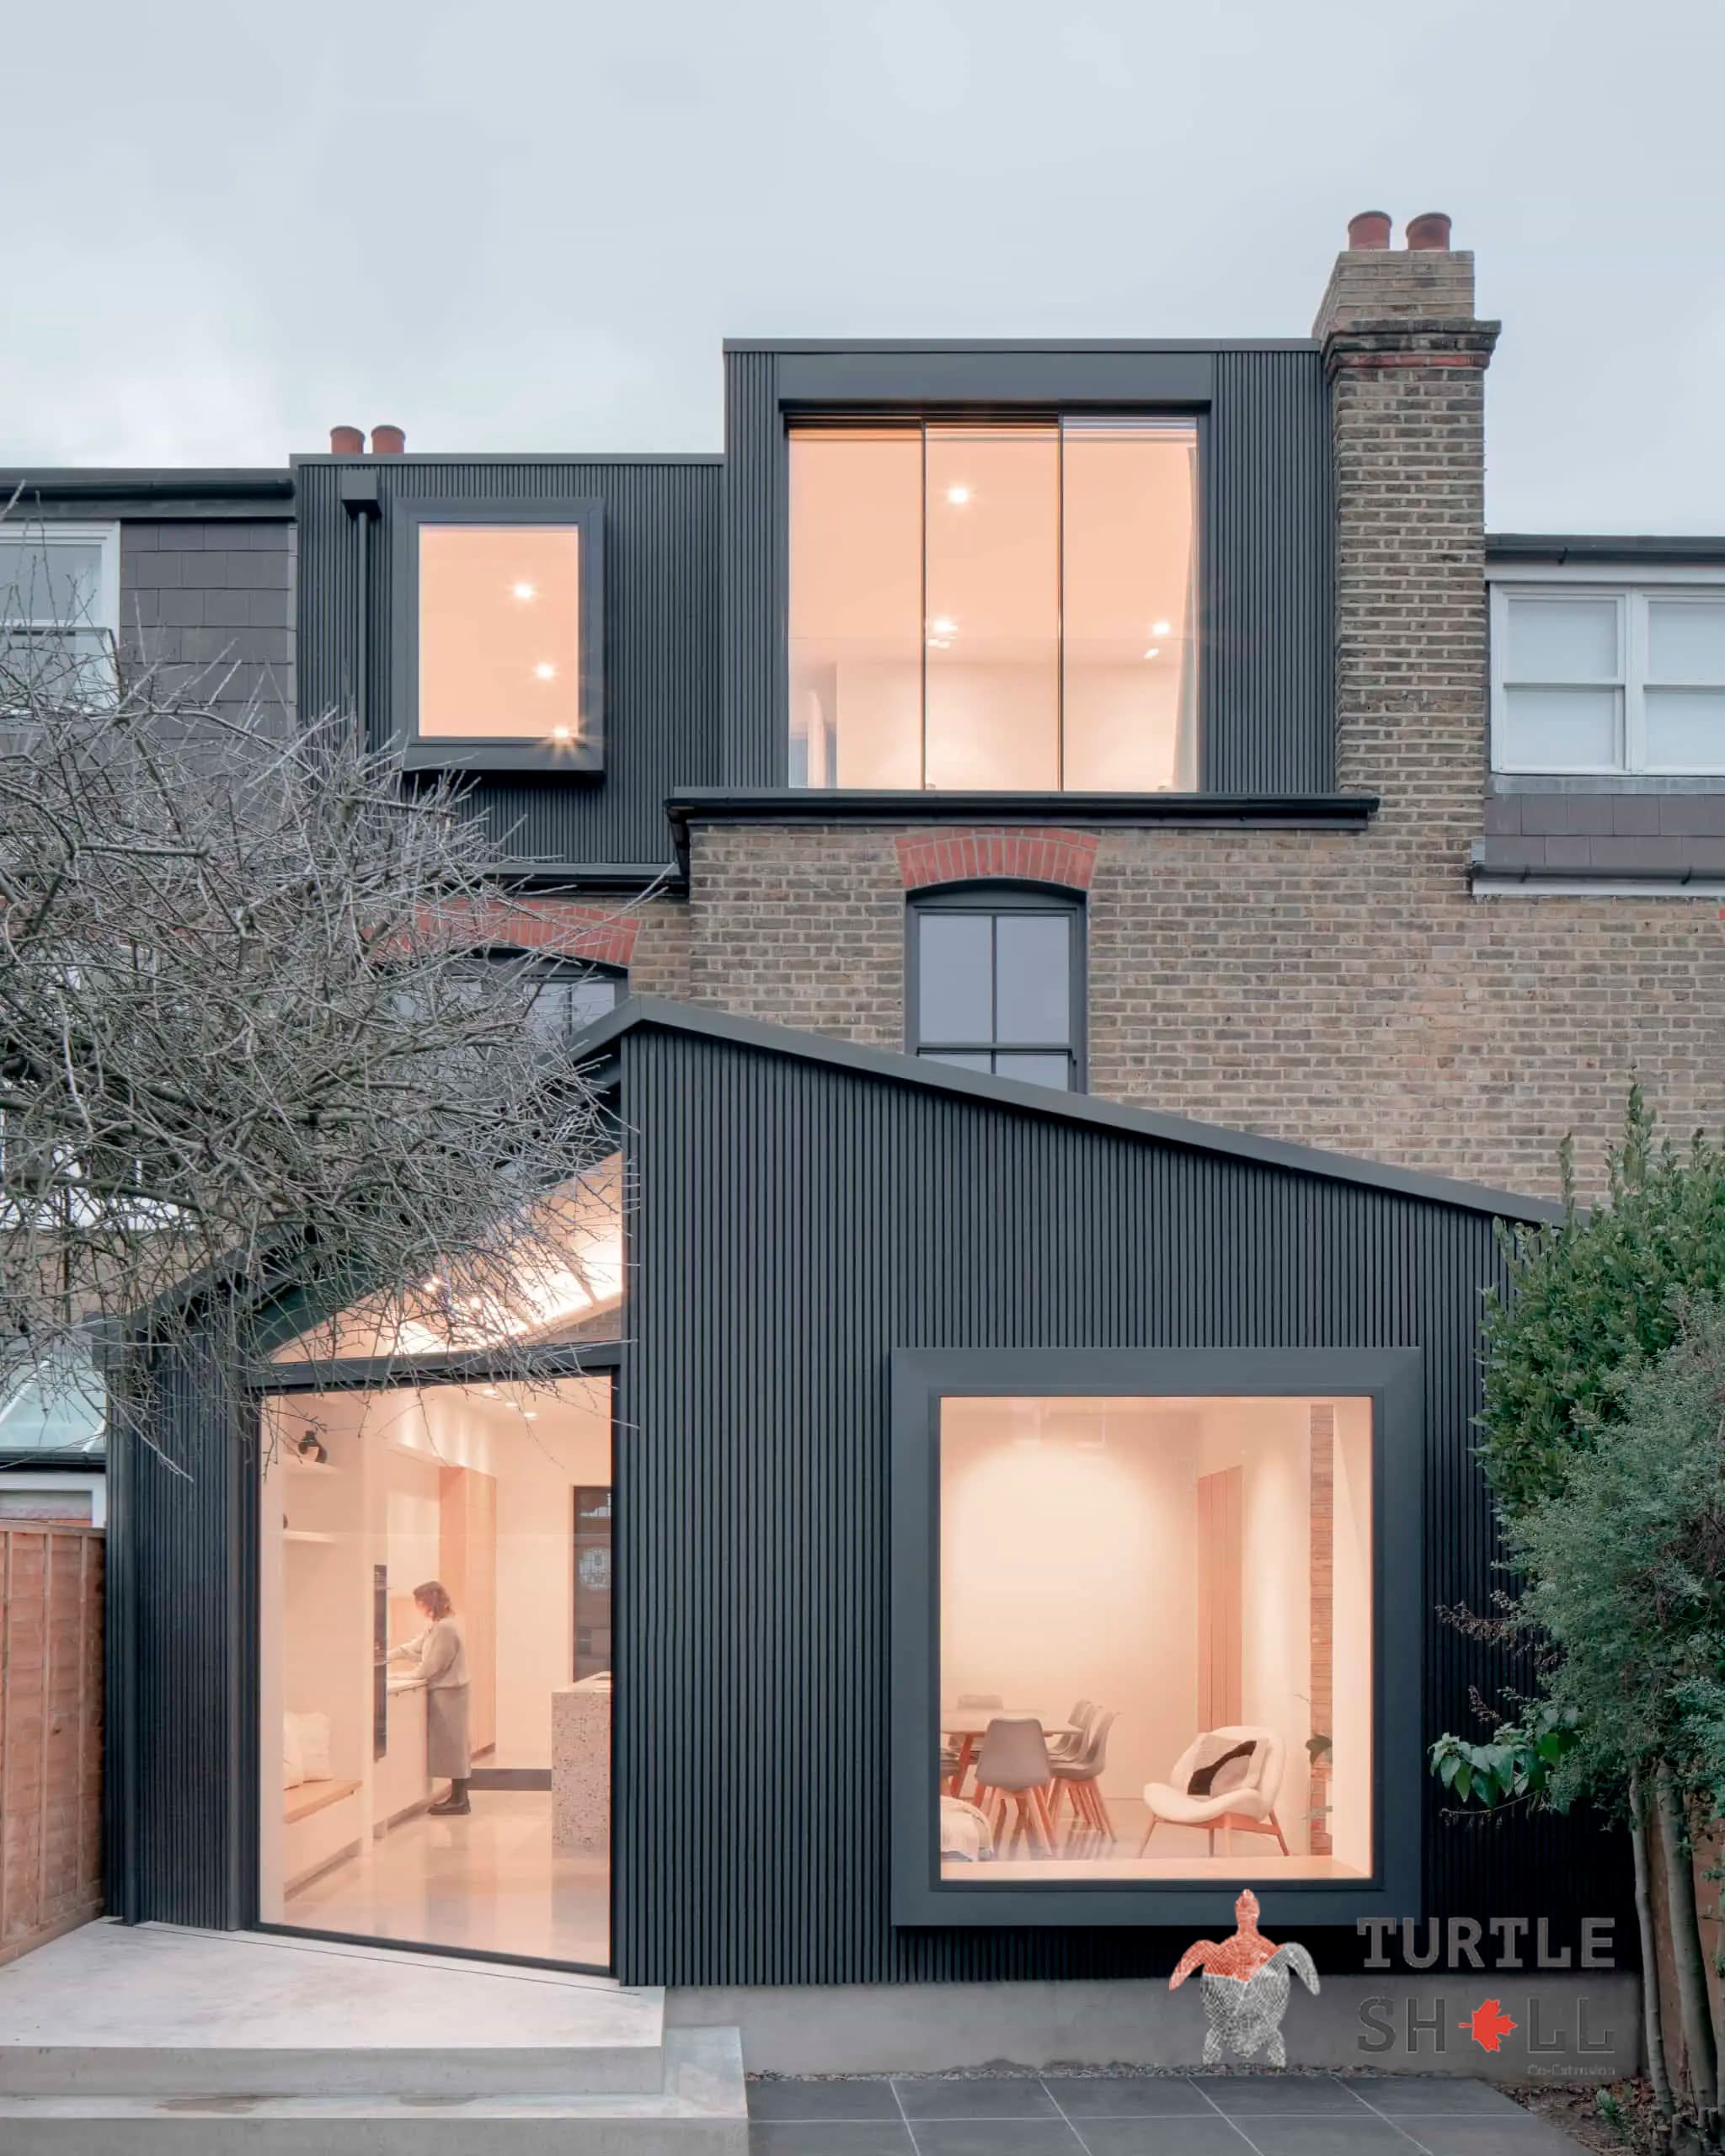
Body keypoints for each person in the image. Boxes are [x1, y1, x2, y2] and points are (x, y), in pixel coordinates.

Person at [388, 1580, 472, 1816]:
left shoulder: (445, 1628)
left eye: (419, 1602)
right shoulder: (439, 1626)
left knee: (454, 1746)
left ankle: (459, 1799)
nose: (418, 1607)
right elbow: (413, 1648)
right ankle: (458, 1797)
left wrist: (403, 1676)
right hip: (449, 1692)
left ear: (428, 1602)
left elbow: (432, 1665)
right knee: (454, 1746)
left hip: (450, 1694)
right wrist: (385, 1655)